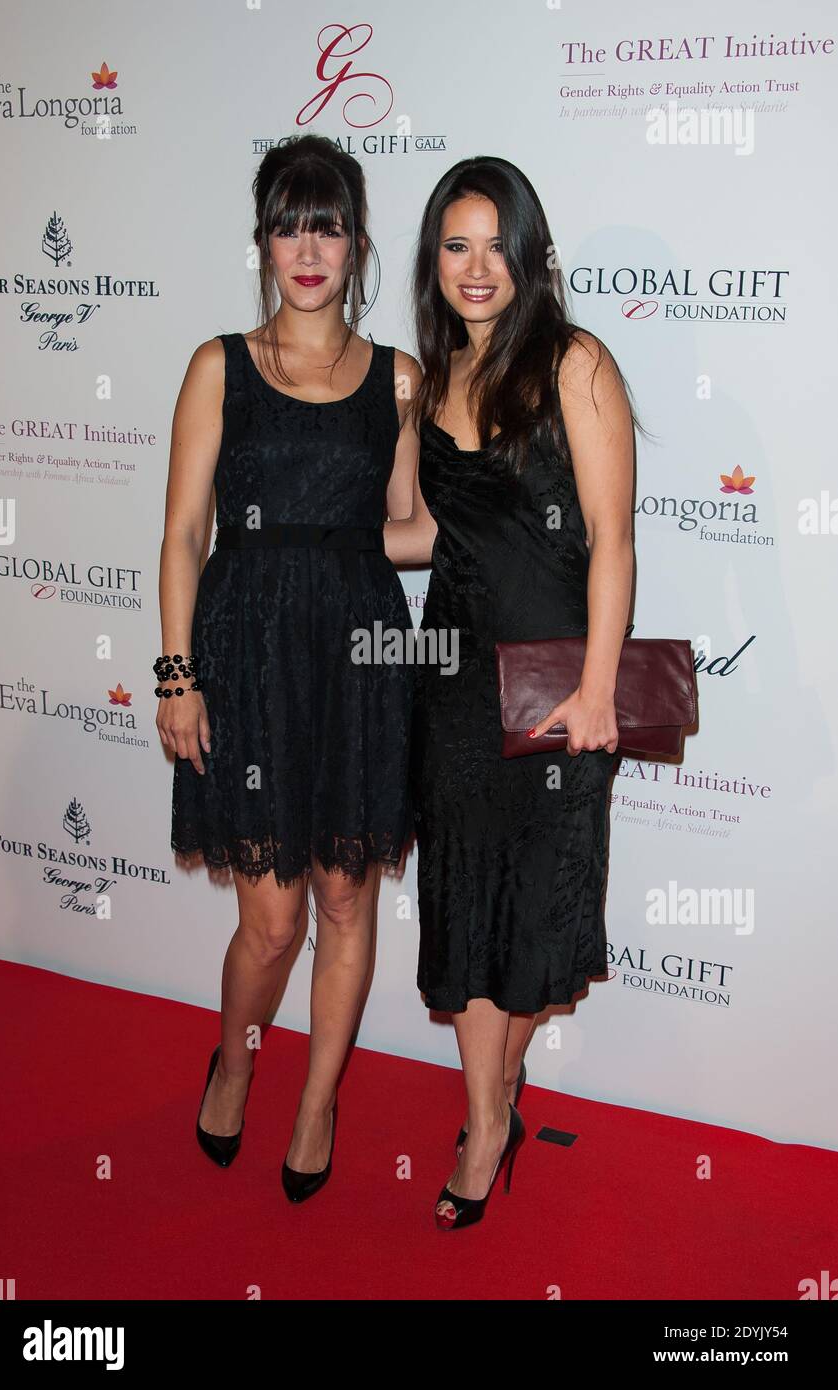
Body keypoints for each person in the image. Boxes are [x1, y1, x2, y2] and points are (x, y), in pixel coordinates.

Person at [158, 134, 418, 1202]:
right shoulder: (218, 365)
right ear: (262, 240)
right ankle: (236, 1057)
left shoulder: (398, 377)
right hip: (249, 654)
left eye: (328, 225)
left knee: (346, 902)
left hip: (359, 651)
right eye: (287, 224)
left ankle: (316, 1102)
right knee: (270, 921)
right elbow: (182, 535)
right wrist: (176, 675)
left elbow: (406, 530)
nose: (307, 247)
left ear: (356, 246)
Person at [384, 156, 636, 1229]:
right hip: (450, 687)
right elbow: (422, 535)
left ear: (529, 255)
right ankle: (487, 1122)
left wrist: (593, 691)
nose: (474, 267)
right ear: (432, 260)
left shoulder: (575, 365)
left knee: (530, 928)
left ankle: (496, 1096)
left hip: (554, 691)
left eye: (495, 244)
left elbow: (614, 542)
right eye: (454, 244)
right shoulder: (432, 381)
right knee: (467, 913)